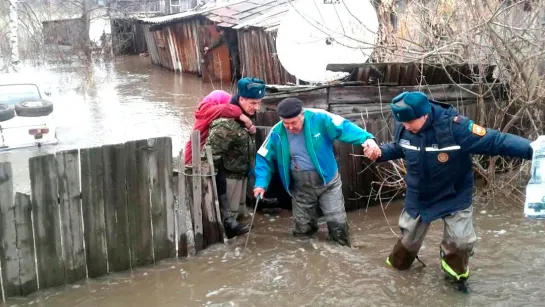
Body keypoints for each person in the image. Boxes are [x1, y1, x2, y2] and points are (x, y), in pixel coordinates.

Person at [364, 91, 533, 287]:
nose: (406, 127)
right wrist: (380, 153)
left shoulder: (456, 128)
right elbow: (400, 147)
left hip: (454, 195)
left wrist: (534, 150)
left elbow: (497, 141)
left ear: (424, 114)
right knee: (407, 244)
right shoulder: (404, 126)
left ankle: (455, 282)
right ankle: (397, 274)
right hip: (420, 196)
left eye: (410, 122)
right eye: (403, 123)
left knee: (460, 243)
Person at [253, 97, 381, 246]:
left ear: (302, 115)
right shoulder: (277, 131)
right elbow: (263, 156)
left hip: (328, 184)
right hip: (300, 188)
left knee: (337, 225)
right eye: (285, 124)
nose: (290, 127)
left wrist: (367, 139)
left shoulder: (320, 118)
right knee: (302, 231)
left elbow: (345, 127)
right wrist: (261, 183)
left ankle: (341, 253)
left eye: (293, 123)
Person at [203, 77, 267, 238]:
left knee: (241, 219)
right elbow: (209, 158)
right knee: (229, 227)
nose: (257, 107)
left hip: (242, 177)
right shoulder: (225, 123)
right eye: (253, 103)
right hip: (228, 181)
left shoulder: (245, 117)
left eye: (259, 103)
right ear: (241, 99)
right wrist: (219, 191)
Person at [184, 89, 255, 165]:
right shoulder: (207, 110)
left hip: (199, 152)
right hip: (194, 157)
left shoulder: (207, 113)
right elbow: (224, 109)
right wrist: (243, 117)